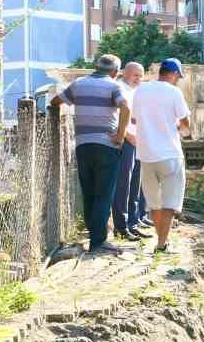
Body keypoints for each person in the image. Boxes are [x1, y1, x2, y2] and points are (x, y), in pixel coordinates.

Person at [51, 54, 130, 256]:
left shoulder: (78, 84)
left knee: (89, 192)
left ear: (95, 67)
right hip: (106, 145)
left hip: (83, 145)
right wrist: (120, 136)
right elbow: (126, 107)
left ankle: (93, 232)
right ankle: (99, 241)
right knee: (104, 193)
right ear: (115, 72)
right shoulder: (114, 86)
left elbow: (55, 101)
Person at [131, 57, 191, 254]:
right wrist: (177, 128)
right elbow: (186, 123)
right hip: (170, 154)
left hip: (146, 155)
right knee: (170, 203)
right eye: (177, 77)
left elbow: (134, 117)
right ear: (173, 74)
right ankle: (162, 244)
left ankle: (161, 242)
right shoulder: (174, 92)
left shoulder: (141, 89)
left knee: (154, 204)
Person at [112, 62, 152, 242]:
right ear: (125, 73)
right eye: (136, 75)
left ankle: (134, 221)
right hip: (125, 142)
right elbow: (114, 117)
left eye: (141, 75)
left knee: (136, 181)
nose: (139, 79)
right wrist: (127, 135)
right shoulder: (119, 88)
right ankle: (122, 225)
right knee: (124, 184)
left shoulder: (136, 90)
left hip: (138, 141)